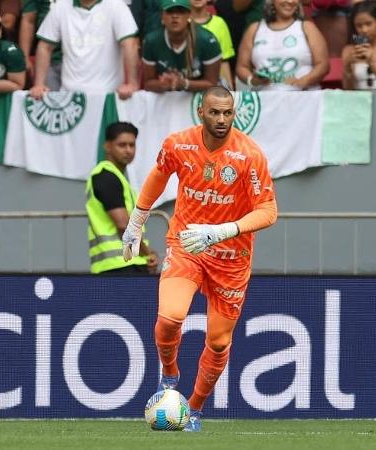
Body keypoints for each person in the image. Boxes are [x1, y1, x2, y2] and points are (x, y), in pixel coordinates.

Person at [121, 86, 278, 431]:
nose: (221, 120)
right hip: (187, 245)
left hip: (231, 258)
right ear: (201, 113)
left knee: (219, 342)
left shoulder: (249, 155)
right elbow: (158, 177)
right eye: (215, 113)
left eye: (227, 113)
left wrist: (222, 231)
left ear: (234, 115)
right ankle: (170, 373)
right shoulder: (179, 144)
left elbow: (268, 211)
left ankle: (193, 408)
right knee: (170, 317)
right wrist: (136, 221)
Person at [86, 122, 159, 275]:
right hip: (119, 268)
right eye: (122, 145)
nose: (128, 150)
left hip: (123, 265)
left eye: (132, 145)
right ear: (107, 146)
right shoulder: (105, 176)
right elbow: (123, 225)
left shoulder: (117, 178)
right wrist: (148, 253)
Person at [29, 0, 140, 99]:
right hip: (69, 97)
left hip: (108, 96)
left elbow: (130, 45)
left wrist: (132, 84)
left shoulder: (116, 5)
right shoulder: (61, 6)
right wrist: (39, 84)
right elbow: (45, 46)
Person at [236, 0, 329, 90]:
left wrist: (303, 82)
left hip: (303, 98)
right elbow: (242, 66)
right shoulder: (254, 29)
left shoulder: (308, 28)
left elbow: (323, 65)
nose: (290, 1)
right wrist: (252, 80)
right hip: (265, 99)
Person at [142, 0, 221, 92]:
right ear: (161, 16)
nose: (175, 16)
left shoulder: (207, 40)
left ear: (189, 15)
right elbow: (148, 83)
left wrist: (184, 84)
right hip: (167, 98)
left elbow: (212, 84)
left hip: (201, 98)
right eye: (169, 11)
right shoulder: (151, 41)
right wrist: (163, 84)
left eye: (180, 11)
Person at [191, 0, 235, 89]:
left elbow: (224, 61)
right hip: (188, 85)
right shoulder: (181, 24)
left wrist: (230, 89)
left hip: (214, 86)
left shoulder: (219, 23)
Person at [19, 0, 62, 90]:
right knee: (50, 100)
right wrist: (24, 57)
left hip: (78, 58)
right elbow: (28, 20)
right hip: (48, 58)